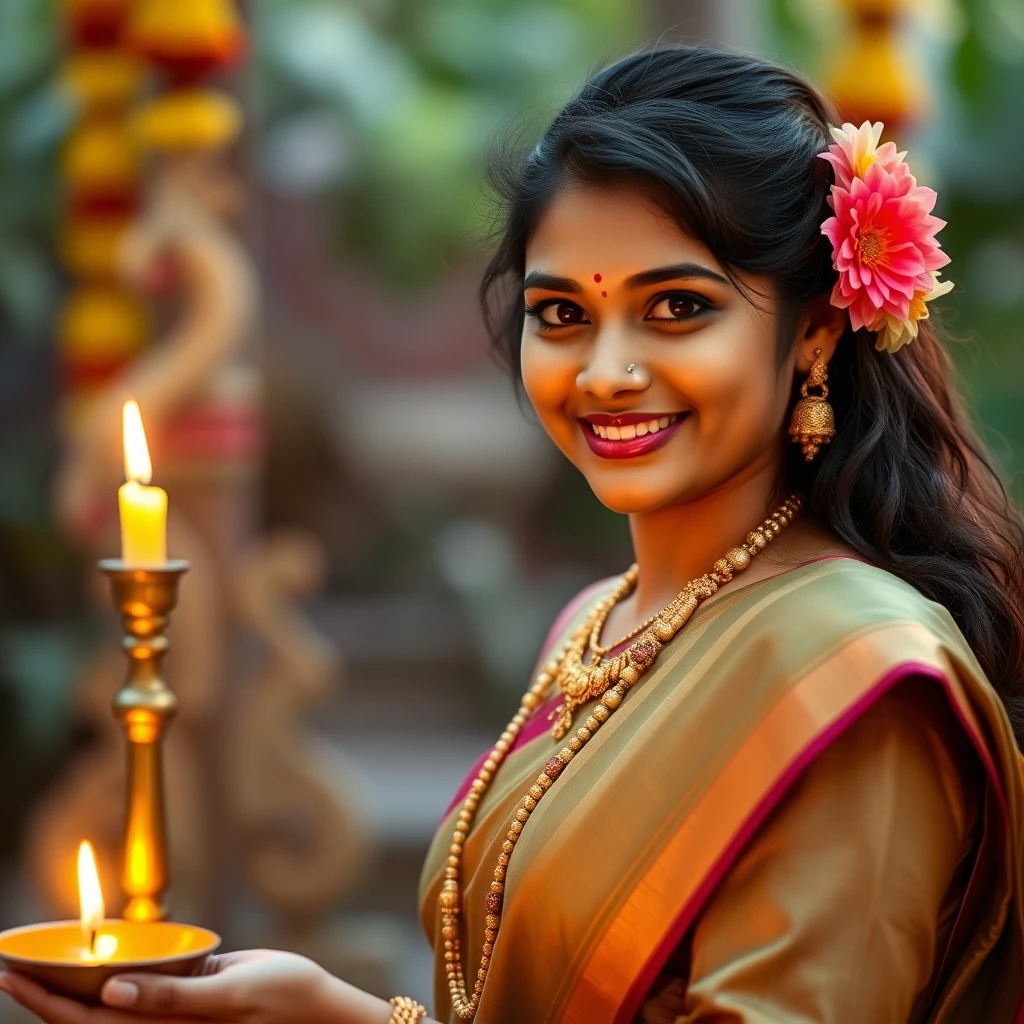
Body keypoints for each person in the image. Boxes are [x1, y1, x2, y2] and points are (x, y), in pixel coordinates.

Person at [3, 43, 1023, 1024]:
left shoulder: (861, 686)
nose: (605, 371)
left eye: (675, 307)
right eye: (562, 312)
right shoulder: (599, 621)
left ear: (810, 331)